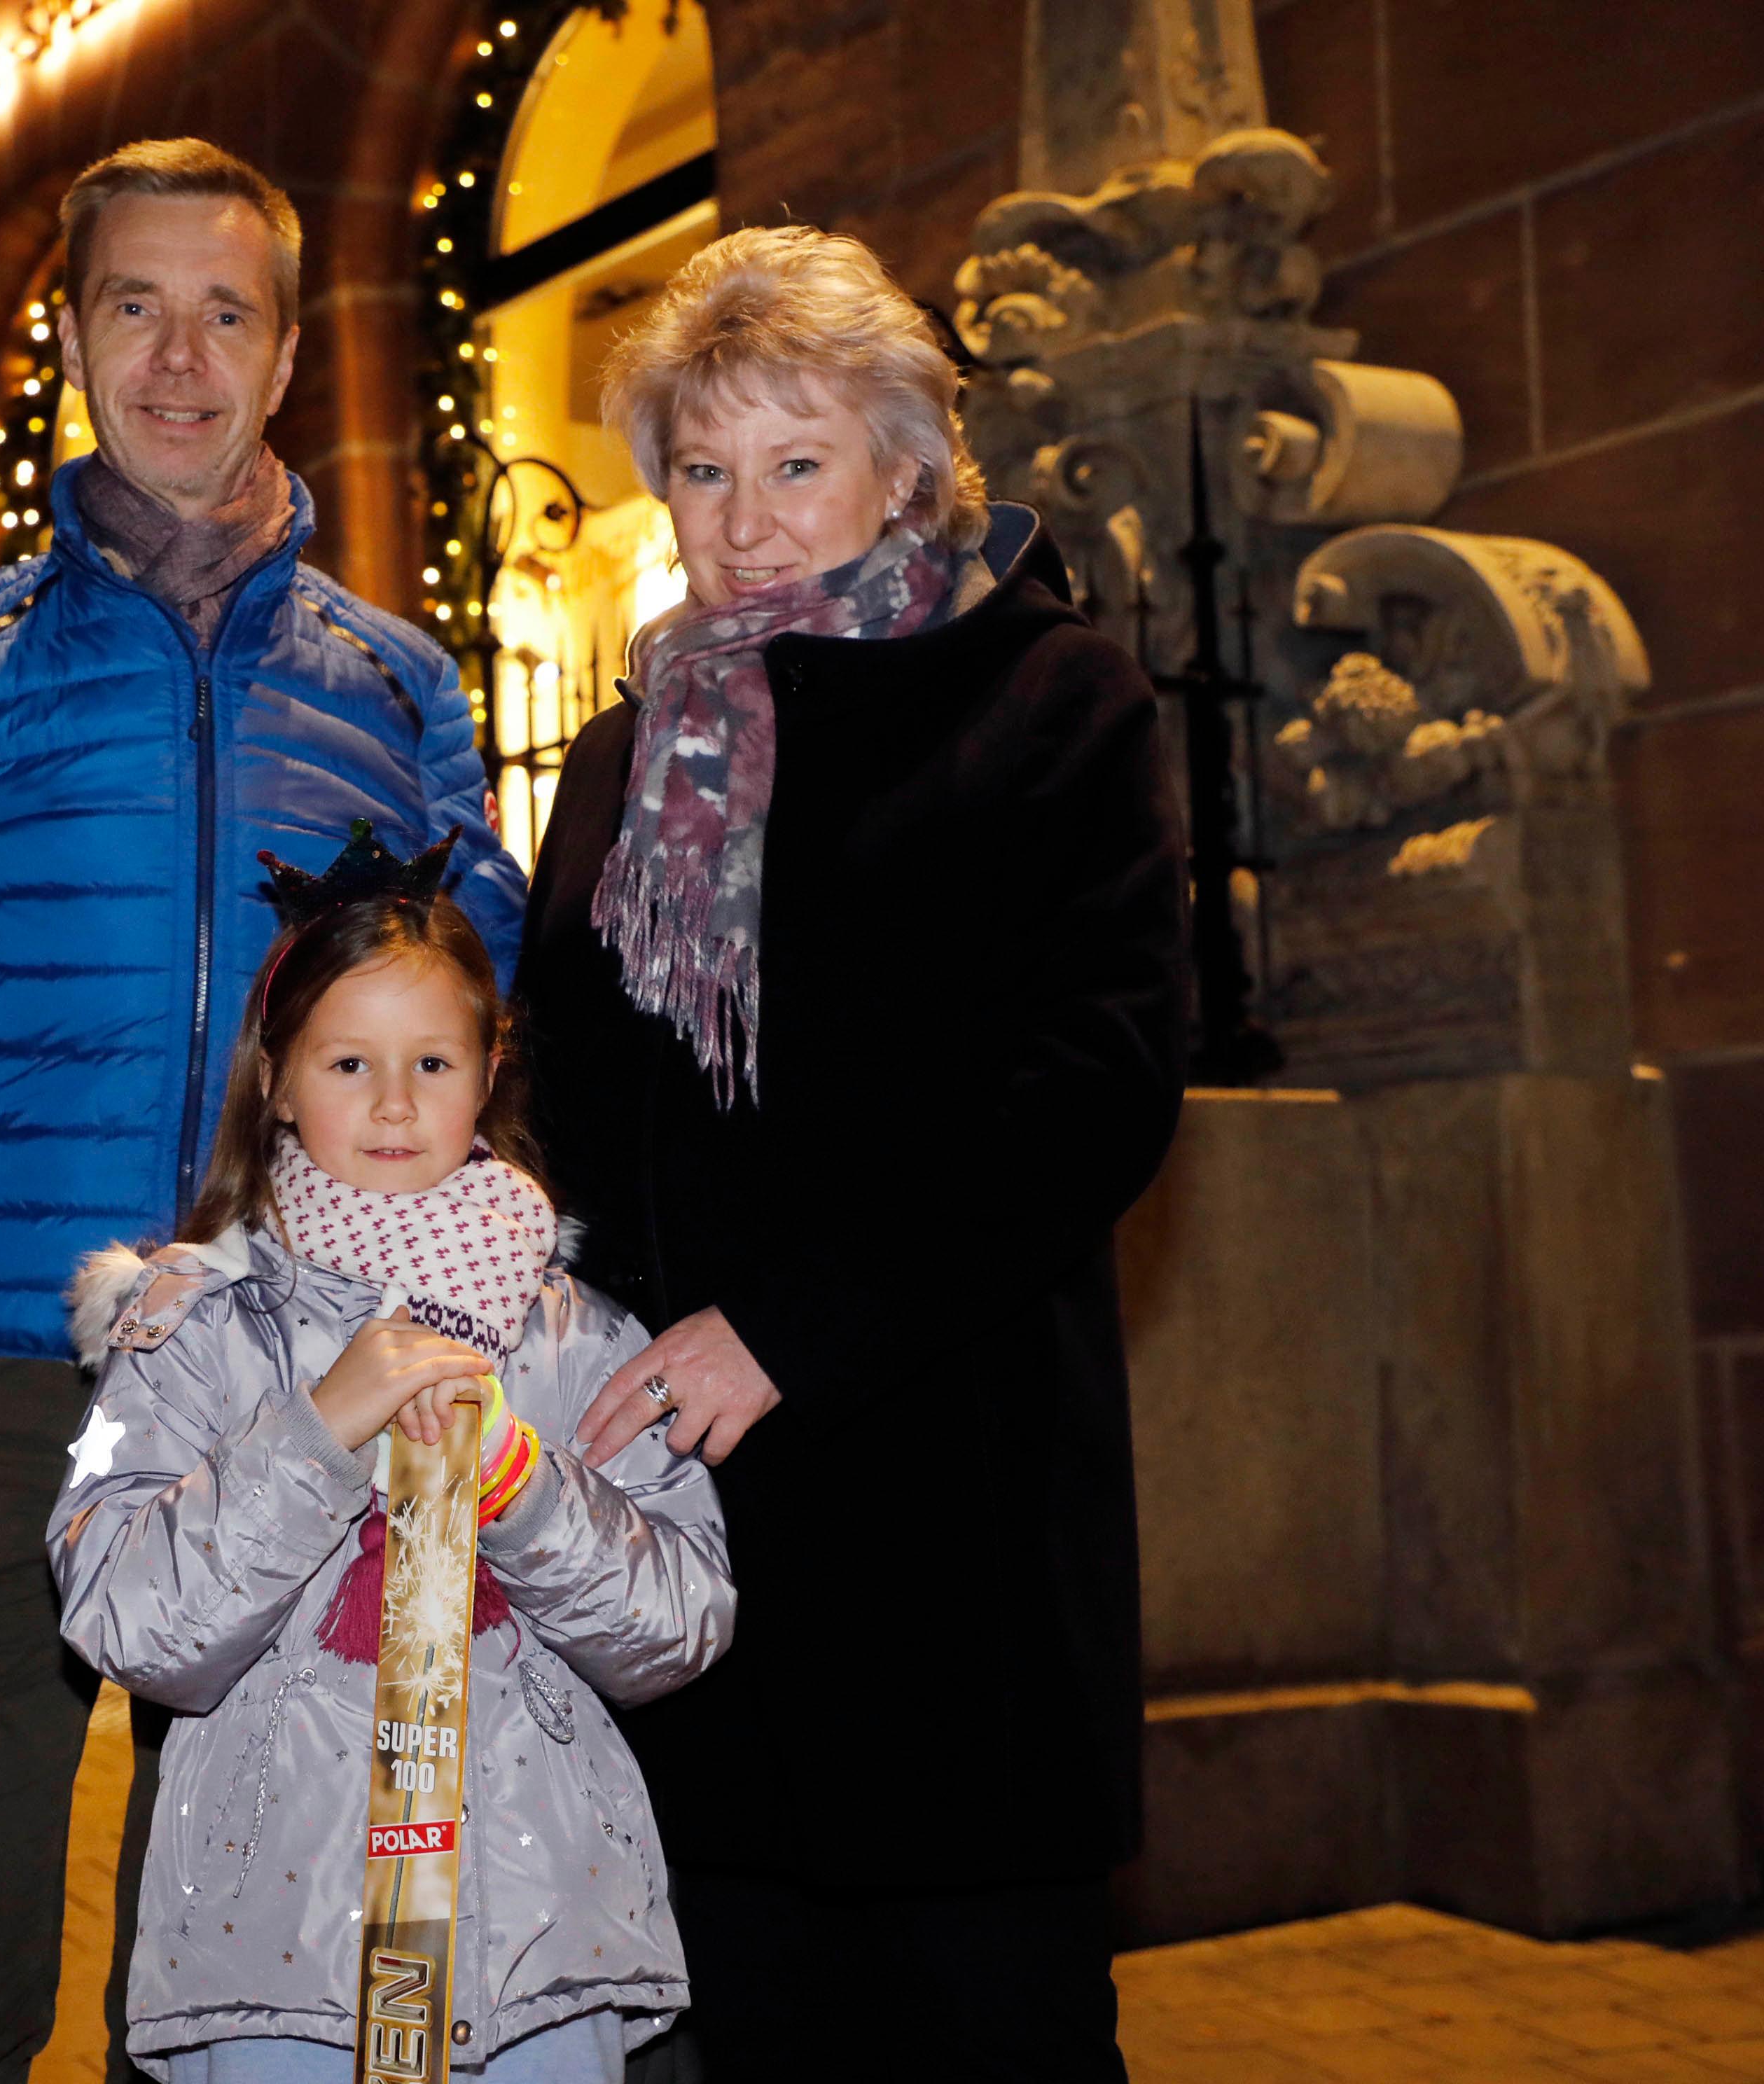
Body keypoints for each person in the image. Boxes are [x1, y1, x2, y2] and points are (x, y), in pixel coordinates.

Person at [0, 140, 524, 2084]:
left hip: (285, 1385)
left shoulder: (399, 689)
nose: (180, 356)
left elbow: (485, 1054)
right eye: (135, 307)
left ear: (279, 358)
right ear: (73, 339)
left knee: (237, 2001)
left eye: (226, 312)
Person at [513, 226, 1190, 2079]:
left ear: (904, 464)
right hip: (679, 1542)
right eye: (703, 471)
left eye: (794, 463)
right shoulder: (620, 757)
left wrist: (790, 1327)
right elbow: (560, 1103)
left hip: (942, 1533)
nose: (740, 519)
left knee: (988, 2034)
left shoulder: (1049, 703)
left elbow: (1098, 1081)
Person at [51, 824, 732, 2082]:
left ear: (489, 1074)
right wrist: (314, 1436)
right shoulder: (186, 1324)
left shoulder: (578, 1337)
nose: (396, 1103)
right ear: (277, 1078)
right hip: (279, 1961)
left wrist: (521, 1484)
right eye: (350, 1061)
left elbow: (682, 1620)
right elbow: (125, 1617)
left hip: (537, 1948)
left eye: (433, 1060)